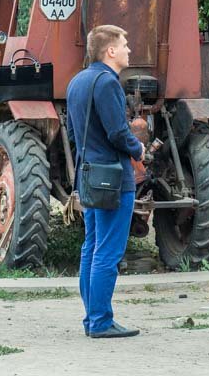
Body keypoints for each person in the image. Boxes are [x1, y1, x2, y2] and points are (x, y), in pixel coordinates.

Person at [66, 24, 145, 339]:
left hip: (88, 174)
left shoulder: (78, 81)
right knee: (108, 252)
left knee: (92, 247)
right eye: (125, 44)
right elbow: (117, 131)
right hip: (113, 177)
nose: (129, 49)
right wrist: (137, 148)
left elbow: (73, 134)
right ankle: (99, 321)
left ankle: (92, 318)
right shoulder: (109, 83)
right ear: (110, 50)